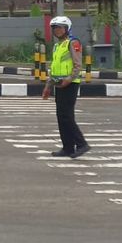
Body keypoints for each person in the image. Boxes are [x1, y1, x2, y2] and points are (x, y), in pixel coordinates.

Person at [42, 16, 88, 158]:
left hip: (70, 84)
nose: (57, 31)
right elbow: (55, 67)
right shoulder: (58, 45)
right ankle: (67, 147)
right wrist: (48, 86)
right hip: (59, 83)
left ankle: (81, 144)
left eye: (60, 28)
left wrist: (68, 80)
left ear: (67, 29)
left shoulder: (73, 43)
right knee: (61, 116)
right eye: (55, 28)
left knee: (67, 116)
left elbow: (77, 65)